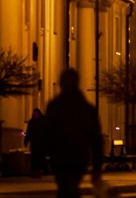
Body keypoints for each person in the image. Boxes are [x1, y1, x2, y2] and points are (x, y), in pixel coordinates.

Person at [45, 69, 102, 198]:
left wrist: (39, 161)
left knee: (64, 187)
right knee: (71, 187)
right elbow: (96, 139)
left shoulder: (54, 106)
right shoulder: (86, 108)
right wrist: (97, 167)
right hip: (78, 157)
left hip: (60, 157)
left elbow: (46, 135)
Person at [24, 108, 47, 177]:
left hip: (41, 143)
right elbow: (28, 131)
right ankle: (35, 171)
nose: (35, 115)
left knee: (40, 157)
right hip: (34, 142)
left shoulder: (42, 121)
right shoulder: (32, 122)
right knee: (34, 157)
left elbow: (46, 132)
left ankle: (40, 171)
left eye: (36, 114)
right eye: (34, 114)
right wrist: (26, 140)